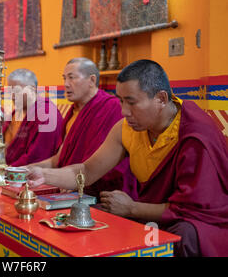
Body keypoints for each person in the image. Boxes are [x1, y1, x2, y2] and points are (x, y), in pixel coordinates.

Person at [27, 59, 228, 257]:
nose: (124, 112)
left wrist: (132, 208)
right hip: (149, 213)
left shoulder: (195, 135)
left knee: (185, 235)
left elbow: (191, 209)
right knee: (93, 216)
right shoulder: (127, 129)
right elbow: (88, 172)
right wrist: (44, 174)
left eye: (131, 103)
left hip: (200, 223)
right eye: (121, 101)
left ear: (161, 99)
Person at [27, 58, 137, 199]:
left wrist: (59, 178)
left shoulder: (112, 108)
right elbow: (58, 160)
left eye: (72, 78)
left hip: (101, 195)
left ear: (91, 80)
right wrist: (31, 168)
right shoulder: (73, 113)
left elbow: (105, 167)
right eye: (64, 78)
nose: (66, 84)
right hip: (67, 185)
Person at [2, 69, 63, 166]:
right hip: (6, 168)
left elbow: (37, 157)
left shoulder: (47, 114)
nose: (12, 96)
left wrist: (8, 169)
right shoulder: (15, 114)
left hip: (32, 174)